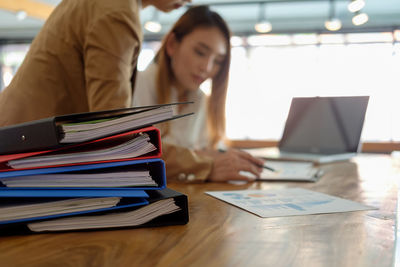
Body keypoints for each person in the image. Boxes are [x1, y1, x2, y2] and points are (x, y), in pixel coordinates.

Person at [0, 0, 189, 127]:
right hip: (23, 158)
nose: (190, 0)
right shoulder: (117, 13)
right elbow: (112, 126)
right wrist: (200, 163)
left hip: (15, 139)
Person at [133, 5, 264, 183]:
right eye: (200, 52)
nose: (207, 68)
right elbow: (133, 153)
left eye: (218, 61)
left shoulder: (199, 99)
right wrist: (200, 162)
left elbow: (201, 150)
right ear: (172, 45)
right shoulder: (137, 86)